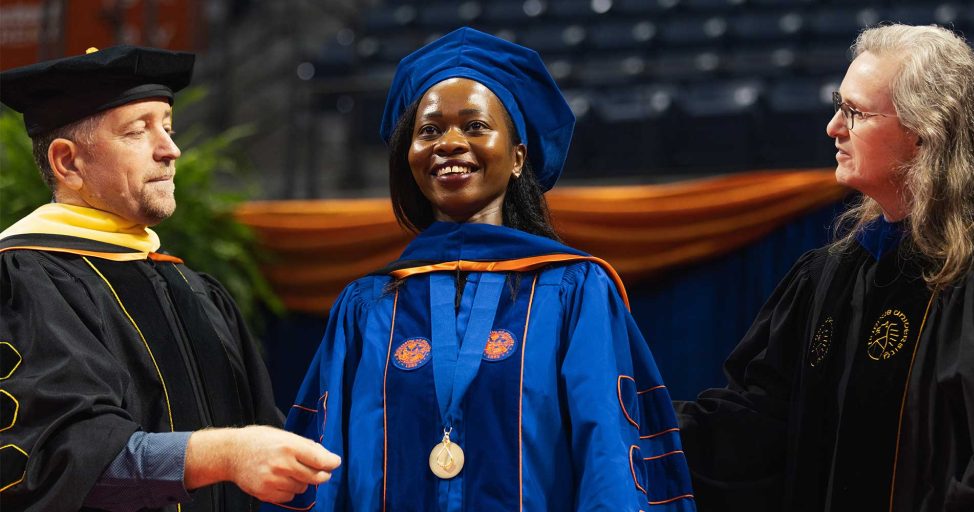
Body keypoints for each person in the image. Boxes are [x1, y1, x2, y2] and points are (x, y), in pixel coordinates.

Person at [263, 27, 697, 511]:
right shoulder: (367, 306)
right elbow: (323, 470)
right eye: (428, 130)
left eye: (474, 126)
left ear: (517, 158)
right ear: (409, 158)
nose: (449, 142)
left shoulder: (572, 291)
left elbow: (609, 464)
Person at [677, 24, 974, 511]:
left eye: (854, 112)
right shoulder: (828, 277)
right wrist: (632, 421)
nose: (833, 128)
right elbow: (753, 428)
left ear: (925, 134)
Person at [0, 46, 340, 511]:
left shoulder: (193, 289)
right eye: (138, 131)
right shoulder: (25, 284)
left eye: (169, 127)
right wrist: (223, 454)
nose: (171, 149)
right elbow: (58, 463)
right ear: (68, 163)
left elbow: (263, 442)